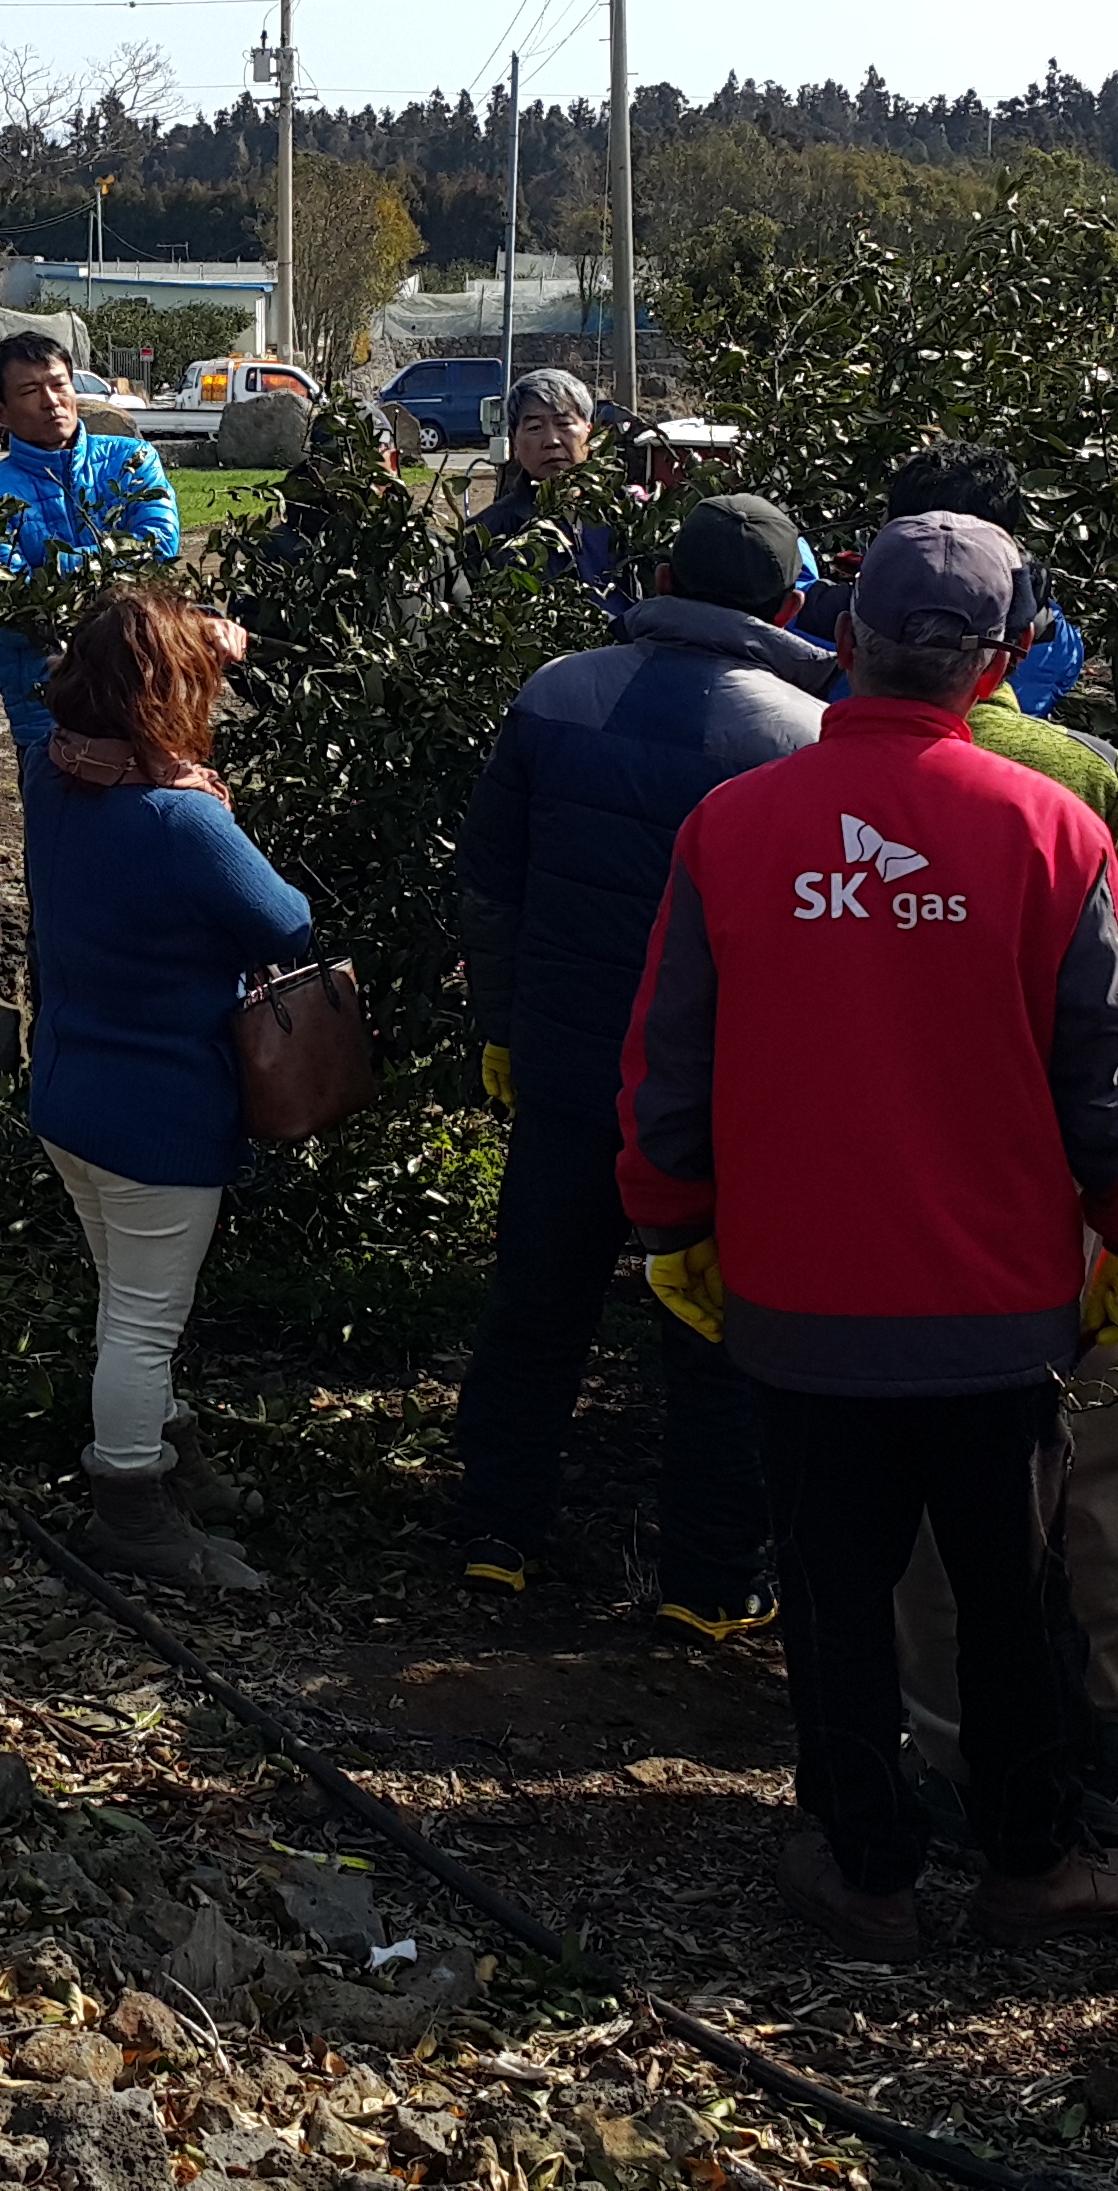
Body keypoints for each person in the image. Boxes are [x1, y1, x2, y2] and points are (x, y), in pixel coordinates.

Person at [615, 510, 1118, 1957]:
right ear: (1000, 662)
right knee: (1007, 1598)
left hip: (797, 1300)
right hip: (999, 1316)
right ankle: (1031, 1861)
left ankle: (865, 1867)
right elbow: (1117, 1084)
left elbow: (665, 1068)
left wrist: (672, 1225)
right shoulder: (1054, 829)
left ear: (847, 634)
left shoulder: (734, 827)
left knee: (830, 1592)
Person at [860, 439, 1118, 1843]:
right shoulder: (1079, 779)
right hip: (1058, 1187)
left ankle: (935, 1735)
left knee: (928, 1494)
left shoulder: (810, 758)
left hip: (882, 1191)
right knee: (1103, 1461)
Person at [444, 495, 830, 1634]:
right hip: (713, 1091)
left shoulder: (557, 691)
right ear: (790, 604)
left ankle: (496, 1533)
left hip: (567, 1062)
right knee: (712, 1327)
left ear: (659, 574)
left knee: (534, 1301)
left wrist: (502, 1026)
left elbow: (488, 883)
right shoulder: (802, 738)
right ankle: (711, 1581)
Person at [23, 586, 316, 1592]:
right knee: (143, 1325)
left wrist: (194, 665)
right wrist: (199, 770)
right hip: (158, 1115)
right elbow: (285, 925)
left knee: (130, 1303)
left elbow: (116, 738)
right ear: (168, 697)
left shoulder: (49, 771)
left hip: (68, 1094)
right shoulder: (179, 822)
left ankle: (170, 1451)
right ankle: (133, 1510)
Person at [0, 326, 182, 805]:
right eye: (29, 391)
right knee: (59, 843)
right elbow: (12, 608)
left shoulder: (130, 462)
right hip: (47, 704)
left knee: (151, 825)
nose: (51, 401)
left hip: (141, 686)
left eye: (59, 384)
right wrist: (106, 569)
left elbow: (159, 545)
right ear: (0, 412)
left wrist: (58, 573)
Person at [467, 367, 628, 620]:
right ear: (515, 441)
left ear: (591, 432)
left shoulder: (627, 516)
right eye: (534, 427)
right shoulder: (486, 534)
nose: (551, 440)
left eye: (564, 423)